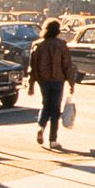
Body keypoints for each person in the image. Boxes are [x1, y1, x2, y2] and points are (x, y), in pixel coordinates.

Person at [26, 18, 75, 151]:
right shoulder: (61, 45)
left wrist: (31, 84)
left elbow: (32, 66)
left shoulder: (37, 45)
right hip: (58, 80)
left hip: (43, 80)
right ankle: (53, 140)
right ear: (57, 31)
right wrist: (71, 82)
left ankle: (41, 127)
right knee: (55, 109)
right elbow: (67, 65)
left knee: (45, 104)